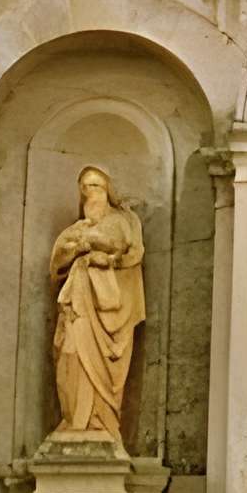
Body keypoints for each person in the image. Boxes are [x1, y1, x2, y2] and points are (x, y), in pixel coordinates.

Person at [47, 165, 146, 445]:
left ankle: (101, 421)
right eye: (86, 187)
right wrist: (78, 247)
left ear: (108, 192)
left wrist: (100, 251)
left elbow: (126, 250)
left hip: (107, 312)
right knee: (69, 354)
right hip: (76, 309)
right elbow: (56, 263)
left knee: (101, 366)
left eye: (97, 186)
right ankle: (73, 419)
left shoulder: (121, 223)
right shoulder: (74, 231)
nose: (91, 193)